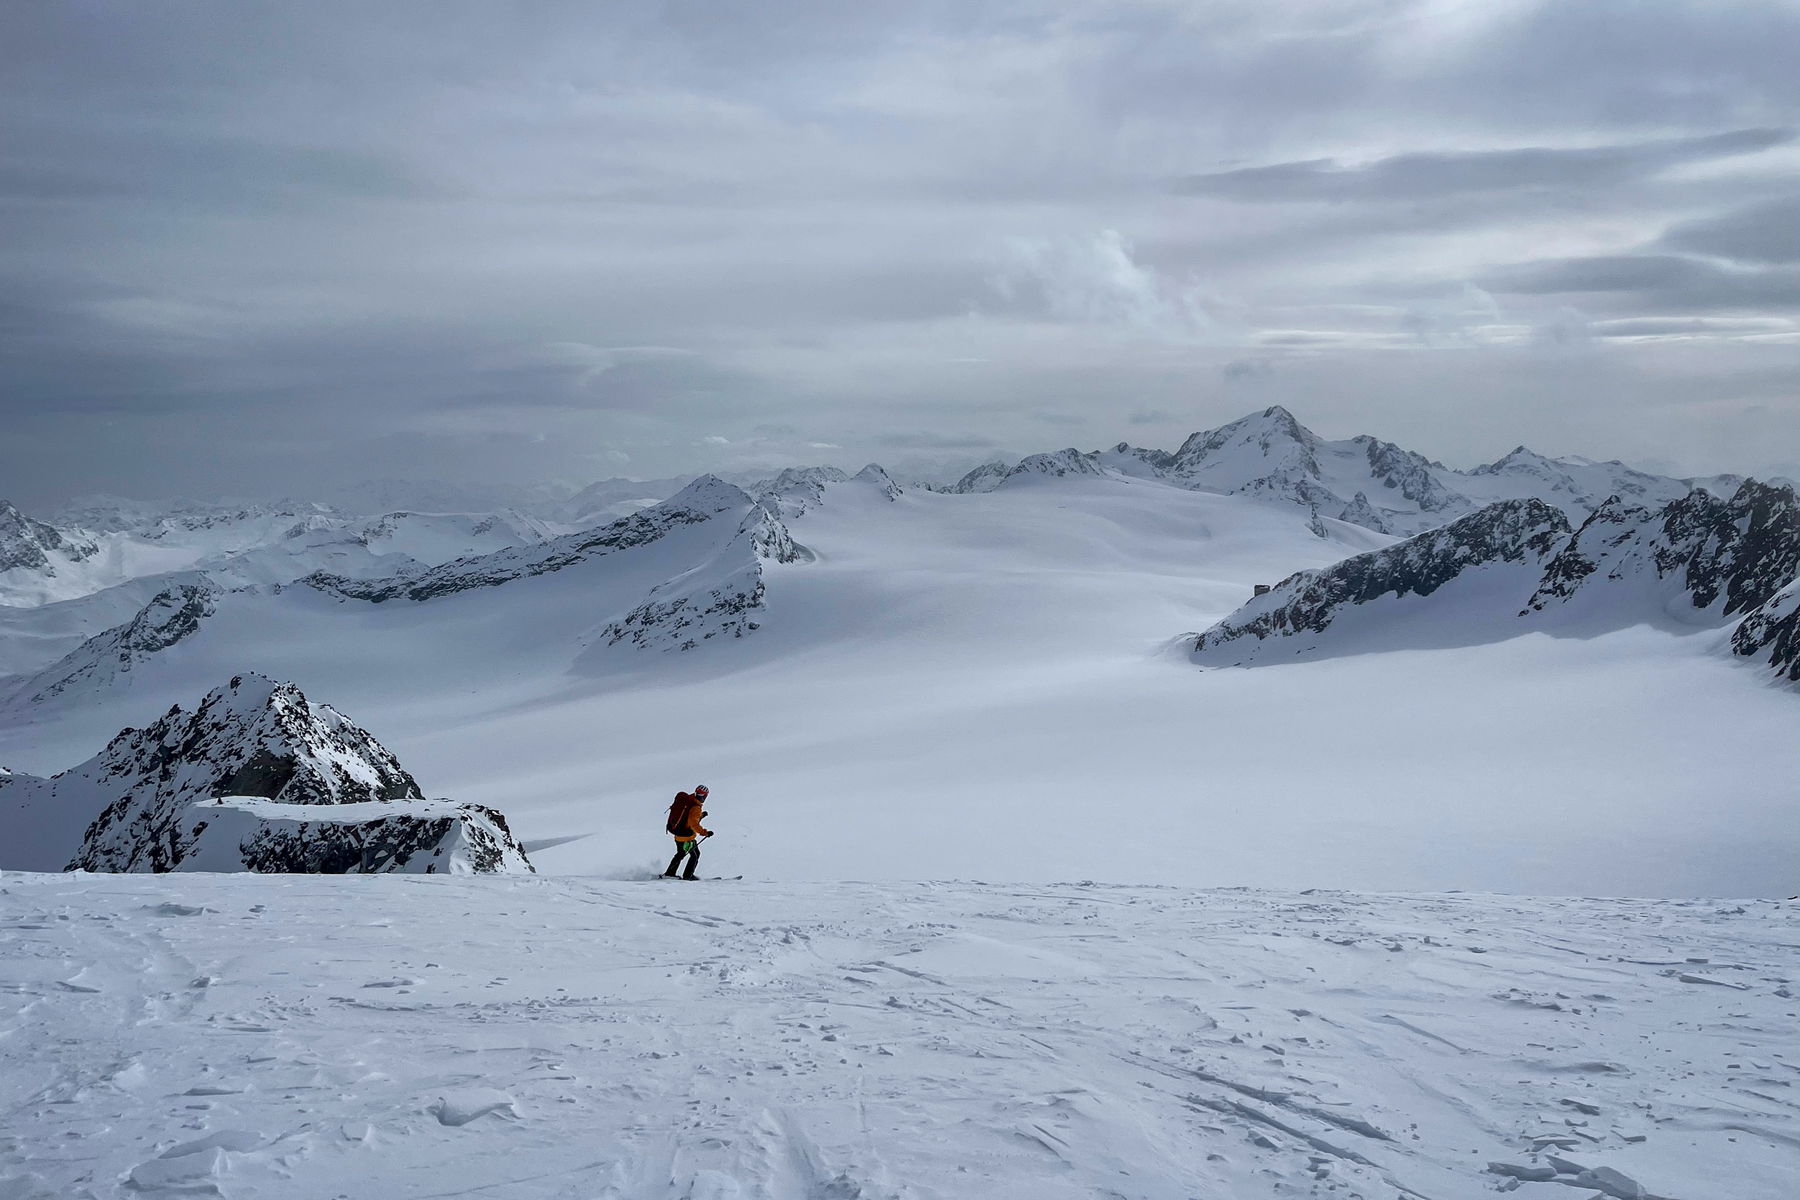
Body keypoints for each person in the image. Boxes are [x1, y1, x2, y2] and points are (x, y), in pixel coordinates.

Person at [663, 784, 712, 880]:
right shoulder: (695, 807)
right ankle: (688, 876)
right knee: (694, 855)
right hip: (686, 838)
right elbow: (693, 824)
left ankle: (670, 873)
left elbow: (688, 818)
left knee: (681, 854)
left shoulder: (690, 801)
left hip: (679, 835)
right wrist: (705, 833)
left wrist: (701, 815)